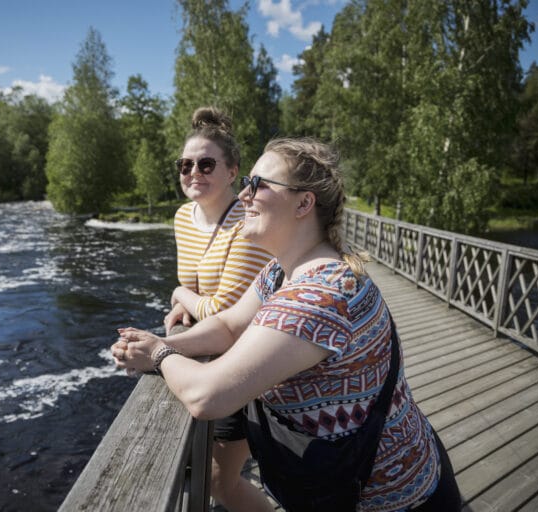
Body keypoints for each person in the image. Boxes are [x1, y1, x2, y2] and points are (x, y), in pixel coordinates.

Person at [112, 137, 462, 511]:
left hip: (393, 499)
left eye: (258, 184)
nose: (244, 194)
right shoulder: (282, 271)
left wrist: (159, 353)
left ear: (304, 203)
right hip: (359, 480)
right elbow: (229, 325)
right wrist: (164, 341)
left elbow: (206, 396)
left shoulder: (319, 295)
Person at [163, 106, 274, 512]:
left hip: (249, 361)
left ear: (232, 173)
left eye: (206, 164)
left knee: (217, 480)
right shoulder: (182, 218)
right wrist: (184, 302)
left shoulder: (247, 222)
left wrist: (179, 295)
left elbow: (221, 309)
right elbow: (195, 296)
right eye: (186, 165)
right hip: (212, 356)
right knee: (209, 475)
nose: (194, 172)